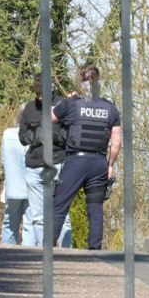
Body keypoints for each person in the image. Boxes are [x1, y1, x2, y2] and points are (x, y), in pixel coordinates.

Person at [50, 64, 122, 250]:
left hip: (75, 161)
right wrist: (110, 165)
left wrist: (66, 100)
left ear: (80, 81)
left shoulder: (71, 104)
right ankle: (95, 251)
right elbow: (116, 142)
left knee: (59, 206)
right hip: (99, 162)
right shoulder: (110, 108)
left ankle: (47, 248)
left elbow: (50, 117)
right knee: (95, 209)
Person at [17, 75, 63, 245]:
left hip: (57, 162)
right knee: (37, 216)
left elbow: (70, 134)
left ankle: (66, 253)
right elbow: (22, 137)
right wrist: (31, 135)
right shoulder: (29, 107)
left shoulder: (62, 105)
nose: (41, 98)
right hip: (34, 165)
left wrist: (54, 137)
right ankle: (42, 252)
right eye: (38, 95)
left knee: (60, 214)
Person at [0, 123, 40, 245]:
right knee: (30, 224)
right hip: (32, 185)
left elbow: (3, 160)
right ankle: (29, 255)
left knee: (9, 223)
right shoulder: (38, 134)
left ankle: (5, 254)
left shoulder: (7, 134)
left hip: (13, 183)